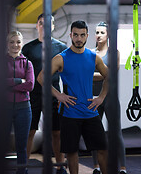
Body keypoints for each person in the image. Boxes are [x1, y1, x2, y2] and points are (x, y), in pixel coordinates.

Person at [37, 20, 109, 174]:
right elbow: (41, 77)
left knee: (103, 149)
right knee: (72, 152)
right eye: (75, 35)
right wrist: (59, 95)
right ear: (70, 35)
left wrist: (101, 97)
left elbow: (109, 76)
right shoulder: (61, 58)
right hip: (70, 113)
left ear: (87, 36)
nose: (78, 38)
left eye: (82, 35)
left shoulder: (93, 57)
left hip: (90, 111)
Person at [22, 14, 67, 174]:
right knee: (29, 131)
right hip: (32, 95)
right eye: (41, 23)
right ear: (37, 26)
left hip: (54, 95)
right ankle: (23, 167)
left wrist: (65, 96)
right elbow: (22, 73)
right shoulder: (27, 48)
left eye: (48, 24)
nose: (44, 26)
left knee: (57, 132)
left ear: (53, 26)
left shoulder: (62, 48)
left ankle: (60, 166)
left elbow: (66, 74)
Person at [91, 22, 127, 174]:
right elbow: (88, 75)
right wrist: (103, 74)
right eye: (97, 32)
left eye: (102, 33)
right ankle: (96, 167)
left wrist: (95, 75)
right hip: (93, 98)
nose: (98, 35)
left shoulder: (114, 53)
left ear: (108, 35)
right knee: (94, 133)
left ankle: (123, 168)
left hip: (110, 98)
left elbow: (111, 75)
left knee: (116, 132)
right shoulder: (90, 53)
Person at [6, 31, 35, 174]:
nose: (15, 45)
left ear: (21, 43)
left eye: (18, 42)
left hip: (23, 109)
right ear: (7, 44)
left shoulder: (28, 63)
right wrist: (19, 81)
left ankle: (22, 171)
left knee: (21, 146)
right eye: (11, 42)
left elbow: (30, 85)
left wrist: (9, 84)